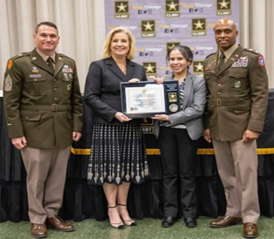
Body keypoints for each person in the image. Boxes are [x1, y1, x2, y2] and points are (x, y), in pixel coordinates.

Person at [3, 22, 83, 238]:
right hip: (34, 131)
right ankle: (37, 219)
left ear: (58, 38)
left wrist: (76, 126)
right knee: (36, 179)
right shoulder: (19, 63)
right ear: (35, 36)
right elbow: (11, 103)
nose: (48, 39)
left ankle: (52, 213)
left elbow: (76, 98)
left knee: (57, 178)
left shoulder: (68, 63)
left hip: (63, 130)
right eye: (44, 35)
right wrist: (15, 132)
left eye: (53, 36)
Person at [203, 18, 269, 238]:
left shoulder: (251, 58)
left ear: (236, 33)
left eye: (227, 31)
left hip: (243, 128)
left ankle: (250, 218)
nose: (222, 35)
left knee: (246, 175)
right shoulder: (210, 61)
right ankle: (233, 212)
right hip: (218, 126)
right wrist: (208, 125)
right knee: (227, 174)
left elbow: (260, 95)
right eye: (218, 31)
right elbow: (210, 97)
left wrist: (254, 127)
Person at [84, 27, 149, 229]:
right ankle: (111, 208)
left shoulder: (138, 68)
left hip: (132, 126)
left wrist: (152, 87)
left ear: (130, 45)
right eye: (116, 41)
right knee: (111, 169)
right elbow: (90, 96)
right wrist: (113, 113)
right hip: (108, 125)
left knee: (127, 168)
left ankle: (123, 207)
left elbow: (146, 97)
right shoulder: (98, 66)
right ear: (109, 44)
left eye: (124, 41)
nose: (120, 44)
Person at [152, 45, 206, 228]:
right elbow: (149, 99)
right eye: (172, 59)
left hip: (187, 132)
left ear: (189, 61)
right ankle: (170, 213)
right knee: (169, 174)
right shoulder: (162, 81)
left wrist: (171, 117)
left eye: (180, 59)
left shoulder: (198, 81)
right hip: (166, 132)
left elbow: (198, 109)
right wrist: (142, 85)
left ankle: (189, 213)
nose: (175, 63)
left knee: (187, 174)